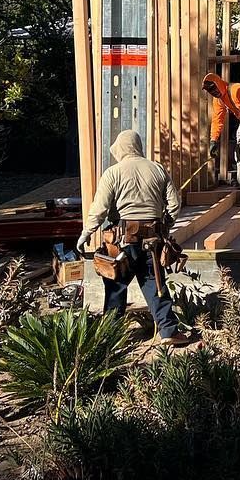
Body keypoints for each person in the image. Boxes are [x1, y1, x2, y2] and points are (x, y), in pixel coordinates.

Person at [78, 129, 191, 346]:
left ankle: (111, 338)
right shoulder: (157, 169)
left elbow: (99, 209)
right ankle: (168, 331)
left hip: (122, 243)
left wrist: (86, 234)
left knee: (116, 285)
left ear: (120, 148)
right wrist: (165, 227)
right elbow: (174, 204)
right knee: (154, 282)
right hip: (152, 240)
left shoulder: (113, 173)